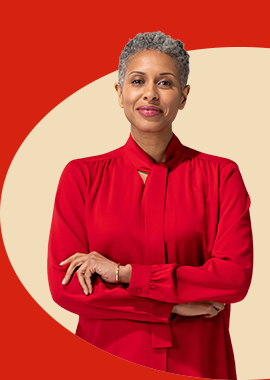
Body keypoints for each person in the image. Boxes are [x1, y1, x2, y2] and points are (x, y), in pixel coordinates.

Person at [47, 31, 253, 379]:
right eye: (138, 80)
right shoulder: (81, 176)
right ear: (119, 92)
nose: (150, 93)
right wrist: (169, 304)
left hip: (198, 366)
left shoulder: (221, 175)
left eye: (166, 83)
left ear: (184, 96)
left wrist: (123, 274)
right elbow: (66, 287)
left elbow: (234, 279)